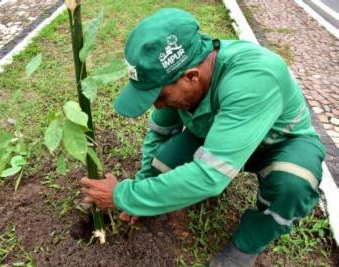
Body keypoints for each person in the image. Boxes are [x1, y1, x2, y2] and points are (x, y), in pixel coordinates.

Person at [80, 8, 326, 266]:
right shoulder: (183, 78)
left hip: (278, 145)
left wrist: (122, 195)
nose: (158, 106)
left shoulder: (254, 79)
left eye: (159, 97)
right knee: (161, 164)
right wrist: (140, 192)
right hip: (219, 136)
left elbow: (211, 177)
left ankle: (246, 246)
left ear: (191, 77)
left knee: (293, 185)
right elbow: (159, 135)